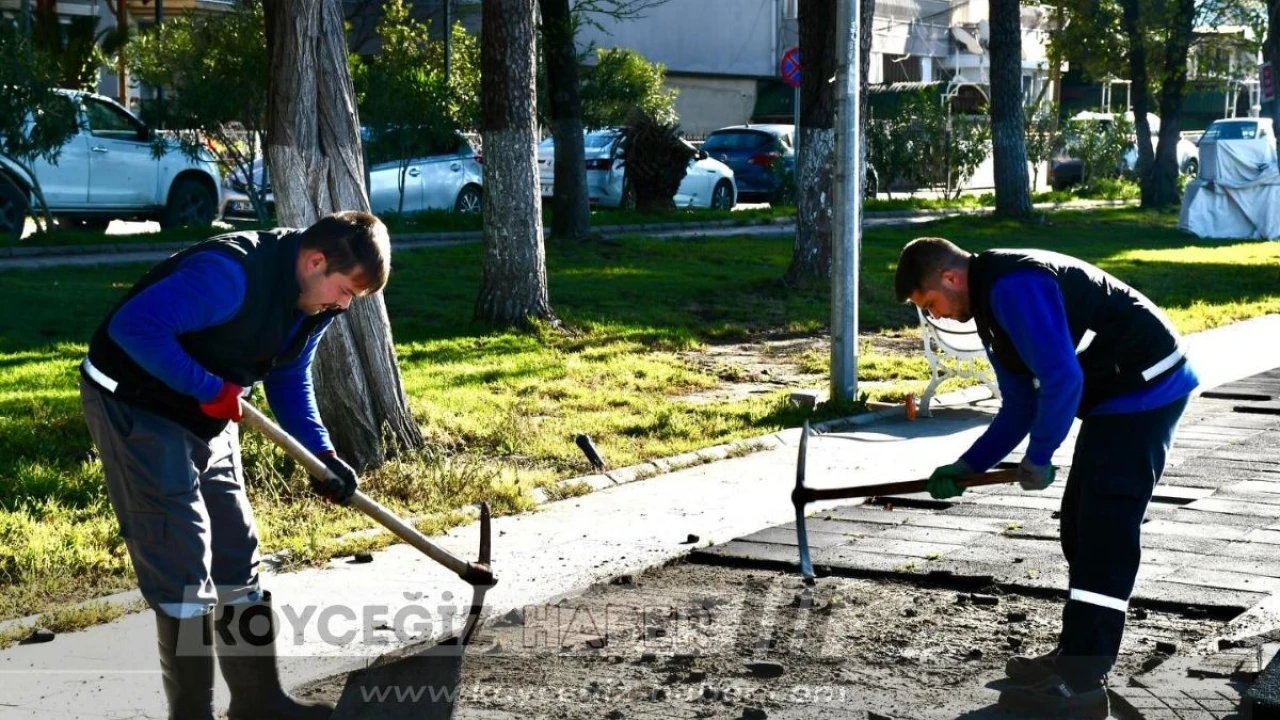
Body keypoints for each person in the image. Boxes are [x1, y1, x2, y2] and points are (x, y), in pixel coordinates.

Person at [79, 211, 392, 720]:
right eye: (344, 292)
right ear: (315, 261)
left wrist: (322, 455)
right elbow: (133, 327)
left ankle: (257, 703)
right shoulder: (229, 275)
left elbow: (290, 375)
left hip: (211, 411)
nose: (343, 306)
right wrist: (209, 390)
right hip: (137, 406)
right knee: (181, 557)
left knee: (235, 549)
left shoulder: (315, 302)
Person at [894, 237, 1198, 719]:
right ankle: (1073, 657)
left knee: (1105, 531)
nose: (938, 316)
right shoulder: (992, 313)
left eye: (931, 304)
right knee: (1078, 528)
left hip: (1148, 388)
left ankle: (1081, 684)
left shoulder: (1015, 286)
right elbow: (1020, 404)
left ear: (950, 277)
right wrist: (968, 465)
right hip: (1115, 397)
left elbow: (1062, 380)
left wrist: (1039, 455)